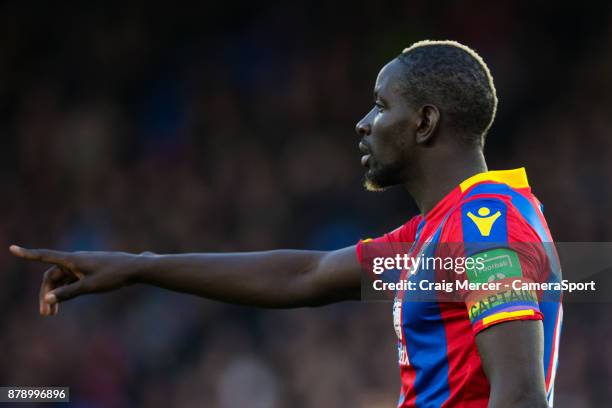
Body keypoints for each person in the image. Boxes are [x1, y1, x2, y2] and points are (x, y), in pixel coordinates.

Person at [11, 40, 561, 408]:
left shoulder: (489, 222)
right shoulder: (436, 232)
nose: (364, 123)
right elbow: (307, 275)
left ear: (423, 122)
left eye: (379, 105)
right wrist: (138, 267)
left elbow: (520, 396)